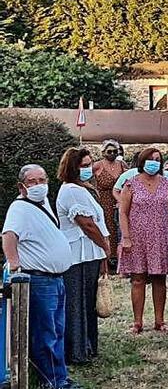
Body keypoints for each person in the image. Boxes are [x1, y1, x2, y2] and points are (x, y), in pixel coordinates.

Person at [2, 165, 81, 389]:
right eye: (32, 181)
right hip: (39, 279)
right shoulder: (20, 208)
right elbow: (8, 235)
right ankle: (54, 381)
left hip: (54, 279)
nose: (38, 185)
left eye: (42, 180)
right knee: (46, 332)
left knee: (56, 329)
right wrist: (14, 264)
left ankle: (59, 375)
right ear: (22, 186)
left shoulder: (42, 203)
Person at [55, 148, 111, 364]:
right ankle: (75, 351)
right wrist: (104, 246)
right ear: (73, 168)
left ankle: (87, 346)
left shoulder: (83, 189)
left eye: (90, 164)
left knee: (87, 303)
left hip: (89, 253)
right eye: (84, 165)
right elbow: (87, 223)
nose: (89, 169)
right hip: (77, 254)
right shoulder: (71, 190)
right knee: (76, 303)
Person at [118, 147, 168, 334]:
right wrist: (126, 237)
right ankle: (137, 322)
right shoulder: (131, 184)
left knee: (160, 278)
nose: (154, 162)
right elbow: (123, 212)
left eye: (158, 159)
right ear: (142, 162)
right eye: (151, 159)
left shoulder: (166, 184)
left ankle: (159, 321)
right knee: (138, 279)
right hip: (137, 238)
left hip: (161, 237)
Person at [93, 140, 126, 271]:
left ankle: (119, 257)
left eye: (114, 151)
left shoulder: (122, 165)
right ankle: (107, 257)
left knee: (119, 228)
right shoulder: (97, 165)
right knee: (106, 228)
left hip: (120, 201)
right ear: (103, 153)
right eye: (109, 151)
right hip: (104, 201)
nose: (112, 154)